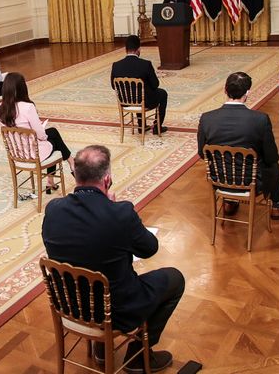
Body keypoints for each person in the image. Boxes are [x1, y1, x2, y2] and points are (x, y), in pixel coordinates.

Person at [42, 146, 184, 373]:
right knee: (175, 279)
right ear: (107, 179)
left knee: (90, 265)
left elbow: (79, 246)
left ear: (76, 176)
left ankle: (101, 349)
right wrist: (112, 207)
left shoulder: (53, 210)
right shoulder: (121, 214)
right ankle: (139, 355)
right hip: (117, 309)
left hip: (71, 306)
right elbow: (149, 248)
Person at [197, 72, 279, 219]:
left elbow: (202, 153)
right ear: (247, 93)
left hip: (219, 180)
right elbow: (271, 156)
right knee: (273, 165)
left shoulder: (207, 118)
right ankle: (277, 205)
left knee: (226, 162)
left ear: (225, 90)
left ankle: (229, 202)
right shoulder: (260, 119)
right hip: (251, 181)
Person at [0, 73, 74, 195]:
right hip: (33, 154)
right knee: (53, 138)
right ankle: (70, 162)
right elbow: (41, 135)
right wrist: (42, 133)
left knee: (53, 133)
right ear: (23, 88)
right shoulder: (27, 107)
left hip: (16, 153)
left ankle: (51, 180)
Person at [111, 35, 168, 134]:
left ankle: (141, 126)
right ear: (138, 49)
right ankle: (157, 127)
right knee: (162, 93)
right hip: (144, 102)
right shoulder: (146, 64)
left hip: (125, 102)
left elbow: (113, 86)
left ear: (126, 49)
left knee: (136, 93)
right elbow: (155, 85)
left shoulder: (116, 65)